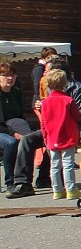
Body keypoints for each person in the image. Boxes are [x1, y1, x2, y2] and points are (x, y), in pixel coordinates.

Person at [6, 59, 81, 199]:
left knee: (54, 153)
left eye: (47, 71)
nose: (44, 73)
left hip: (71, 130)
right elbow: (43, 110)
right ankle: (23, 183)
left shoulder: (79, 88)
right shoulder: (48, 88)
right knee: (27, 140)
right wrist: (39, 106)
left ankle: (50, 181)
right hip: (56, 131)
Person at [39, 68, 81, 200]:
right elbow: (77, 116)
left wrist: (45, 136)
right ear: (64, 83)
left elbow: (43, 122)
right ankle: (70, 189)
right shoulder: (68, 100)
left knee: (55, 165)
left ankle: (57, 190)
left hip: (52, 137)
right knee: (68, 164)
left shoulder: (44, 102)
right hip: (67, 136)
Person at [0, 62, 27, 193]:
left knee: (33, 139)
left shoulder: (16, 93)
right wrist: (13, 134)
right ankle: (9, 182)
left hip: (13, 127)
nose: (10, 78)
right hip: (2, 129)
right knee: (11, 143)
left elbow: (21, 116)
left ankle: (28, 181)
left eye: (12, 75)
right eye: (5, 75)